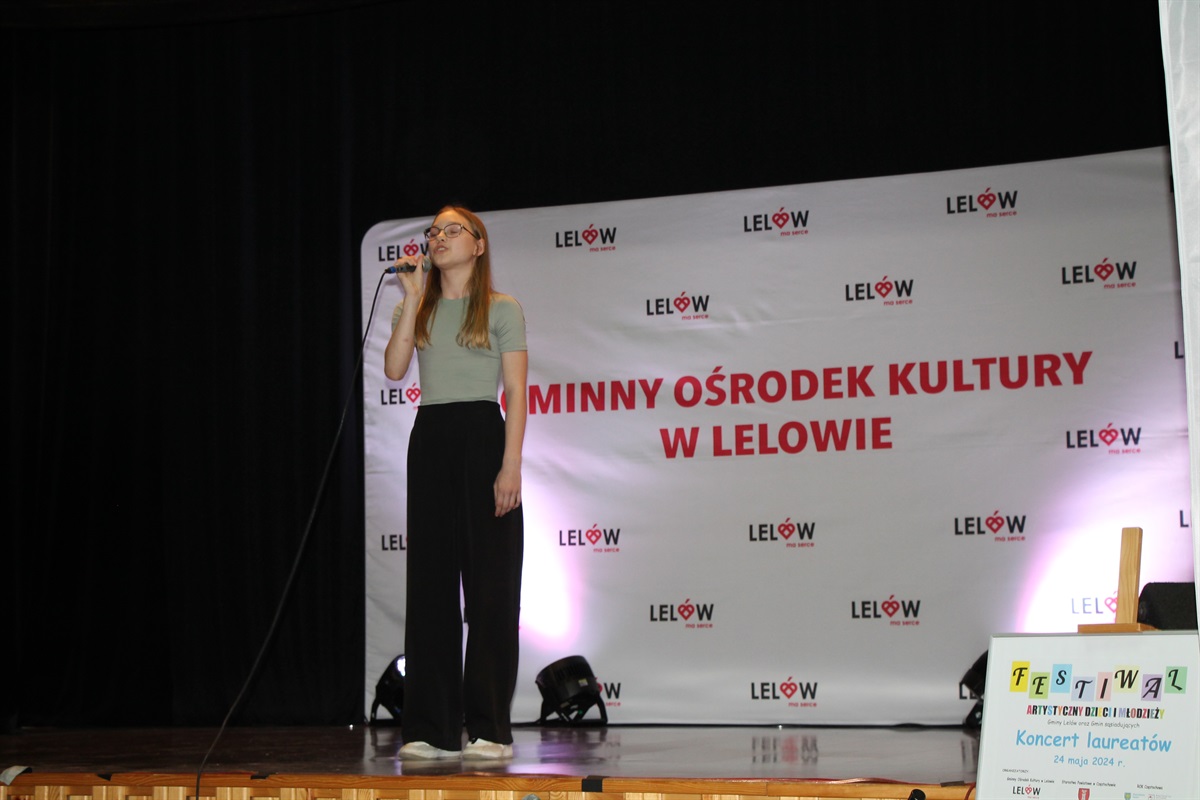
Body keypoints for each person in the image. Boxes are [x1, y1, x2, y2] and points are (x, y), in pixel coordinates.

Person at [384, 206, 527, 761]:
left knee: (491, 586)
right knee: (430, 585)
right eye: (433, 232)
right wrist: (412, 296)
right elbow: (395, 369)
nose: (439, 238)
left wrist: (510, 464)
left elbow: (515, 393)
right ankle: (431, 728)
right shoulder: (415, 305)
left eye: (451, 230)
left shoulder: (501, 307)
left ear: (478, 244)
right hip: (431, 438)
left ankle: (489, 727)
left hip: (483, 436)